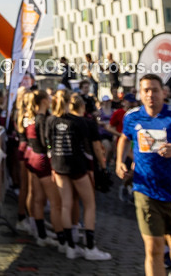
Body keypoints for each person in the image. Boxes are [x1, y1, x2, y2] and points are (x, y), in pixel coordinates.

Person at [115, 74, 171, 275]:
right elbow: (124, 138)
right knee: (153, 248)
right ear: (140, 94)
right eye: (146, 90)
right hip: (145, 189)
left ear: (164, 92)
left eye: (155, 90)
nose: (151, 94)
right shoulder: (132, 117)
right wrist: (119, 162)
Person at [48, 90, 110, 260]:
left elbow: (49, 145)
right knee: (90, 205)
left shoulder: (51, 120)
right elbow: (89, 148)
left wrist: (53, 166)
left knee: (66, 205)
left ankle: (70, 246)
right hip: (77, 166)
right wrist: (99, 168)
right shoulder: (80, 122)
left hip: (59, 166)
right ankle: (90, 247)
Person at [22, 90, 62, 248]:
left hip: (32, 156)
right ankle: (62, 240)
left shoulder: (30, 117)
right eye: (49, 97)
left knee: (37, 198)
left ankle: (40, 233)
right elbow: (47, 143)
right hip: (42, 159)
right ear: (45, 101)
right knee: (55, 202)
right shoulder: (42, 119)